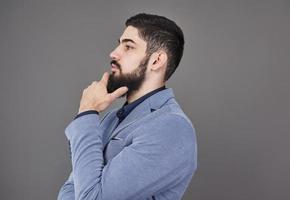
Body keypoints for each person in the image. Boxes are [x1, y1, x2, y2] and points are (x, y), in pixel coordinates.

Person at [58, 13, 197, 200]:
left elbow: (91, 197)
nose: (114, 53)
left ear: (156, 61)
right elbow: (70, 189)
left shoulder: (171, 127)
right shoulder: (111, 118)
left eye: (128, 46)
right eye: (119, 44)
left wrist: (86, 112)